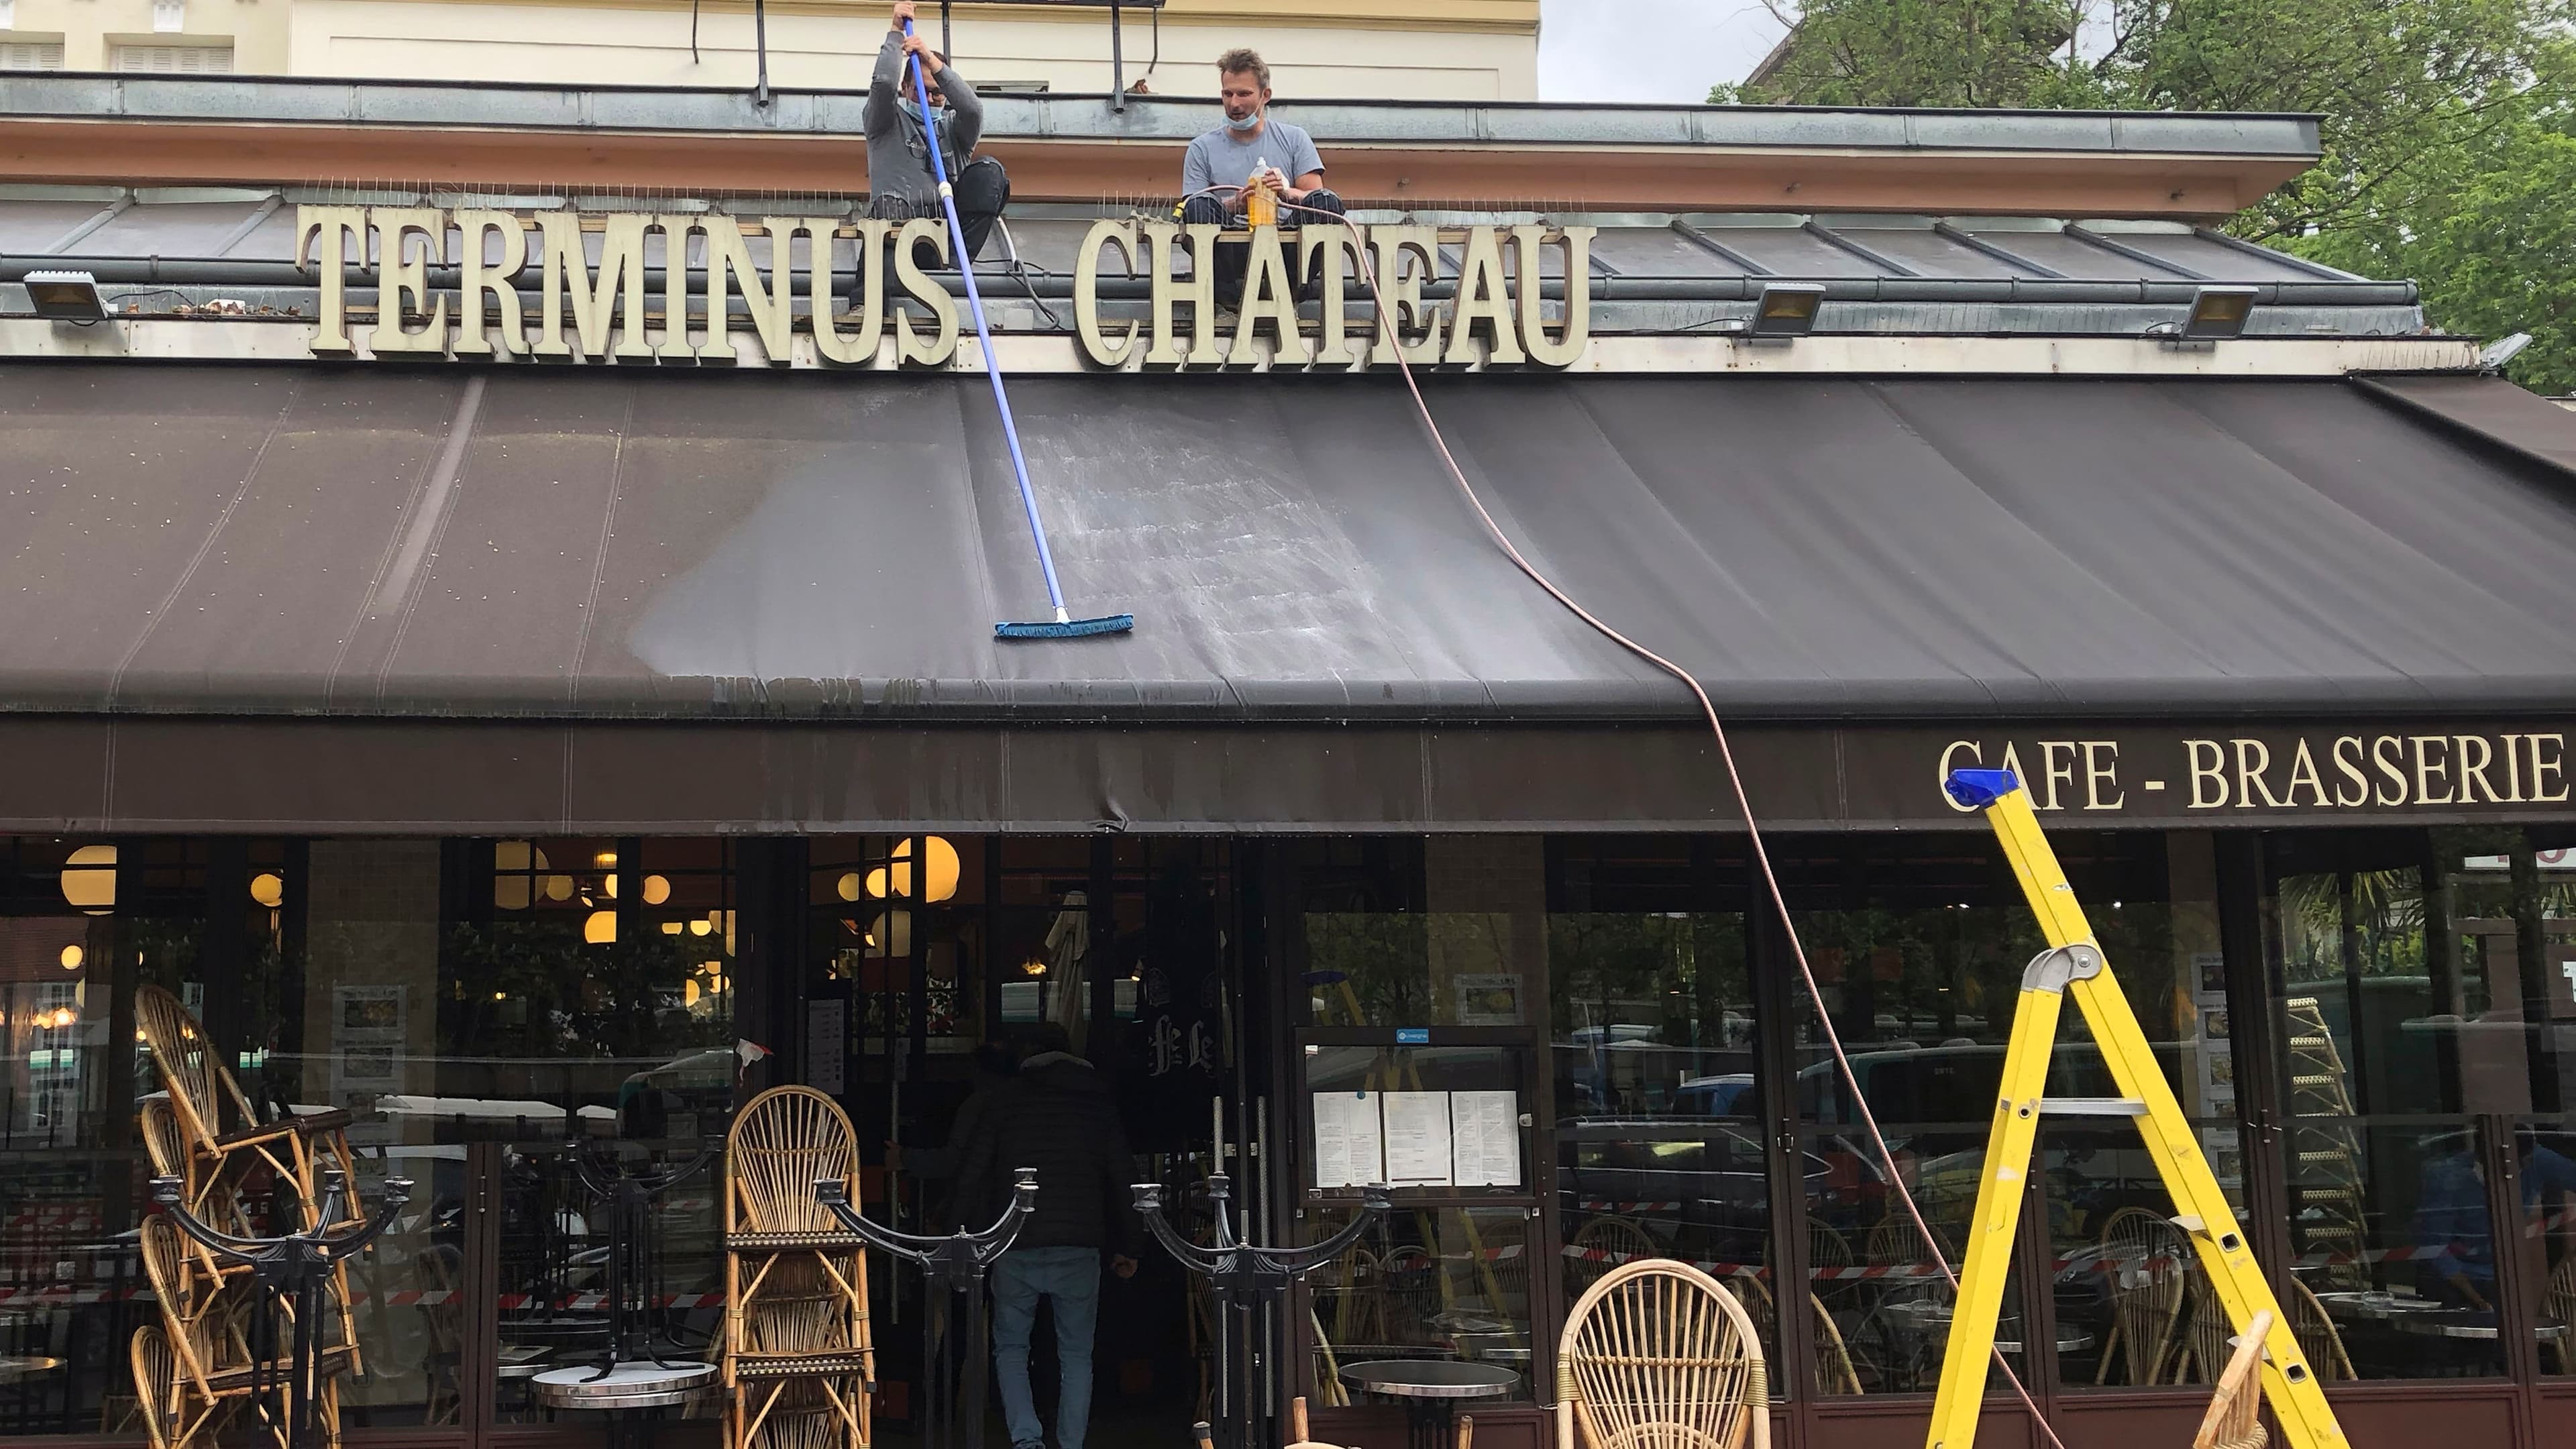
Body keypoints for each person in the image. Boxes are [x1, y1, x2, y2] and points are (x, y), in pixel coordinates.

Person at [954, 1024, 1140, 1449]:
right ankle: (1071, 1443)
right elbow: (1123, 1176)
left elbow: (973, 1172)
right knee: (1076, 1354)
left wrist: (958, 1236)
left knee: (1011, 1347)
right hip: (1079, 1248)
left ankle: (1026, 1440)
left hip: (1015, 1242)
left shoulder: (1005, 1100)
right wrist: (1131, 1246)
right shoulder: (1097, 1102)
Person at [1179, 48, 1347, 305]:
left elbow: (1319, 201)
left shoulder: (1295, 138)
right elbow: (1189, 211)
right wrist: (1235, 204)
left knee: (1327, 201)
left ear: (1265, 95)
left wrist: (1286, 192)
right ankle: (1228, 302)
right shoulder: (1201, 147)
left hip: (1286, 245)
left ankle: (1290, 291)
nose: (1234, 104)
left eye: (1244, 94)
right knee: (1198, 206)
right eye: (1228, 94)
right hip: (1231, 247)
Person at [865, 1, 1008, 259]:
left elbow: (973, 110)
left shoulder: (954, 129)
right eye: (921, 91)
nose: (930, 100)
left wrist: (931, 59)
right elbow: (884, 83)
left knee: (990, 171)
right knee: (888, 210)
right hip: (894, 240)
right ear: (906, 88)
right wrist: (897, 31)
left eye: (937, 93)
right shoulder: (885, 122)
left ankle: (955, 262)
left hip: (944, 237)